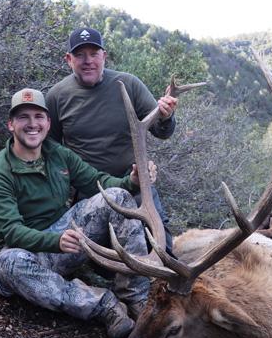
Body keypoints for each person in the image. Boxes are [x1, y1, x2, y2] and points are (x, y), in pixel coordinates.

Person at [0, 88, 154, 338]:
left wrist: (132, 181)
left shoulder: (58, 154)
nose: (32, 124)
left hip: (62, 239)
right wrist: (55, 241)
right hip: (21, 250)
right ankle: (104, 305)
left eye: (38, 117)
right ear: (10, 124)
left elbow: (97, 182)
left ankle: (136, 298)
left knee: (117, 197)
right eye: (23, 117)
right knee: (9, 265)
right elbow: (12, 232)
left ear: (48, 123)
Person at [45, 27, 178, 253]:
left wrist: (166, 115)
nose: (88, 61)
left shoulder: (129, 85)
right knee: (98, 260)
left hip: (135, 185)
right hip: (90, 192)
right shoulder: (57, 96)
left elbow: (162, 132)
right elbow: (50, 150)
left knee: (161, 251)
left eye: (94, 53)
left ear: (104, 56)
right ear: (69, 59)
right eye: (79, 55)